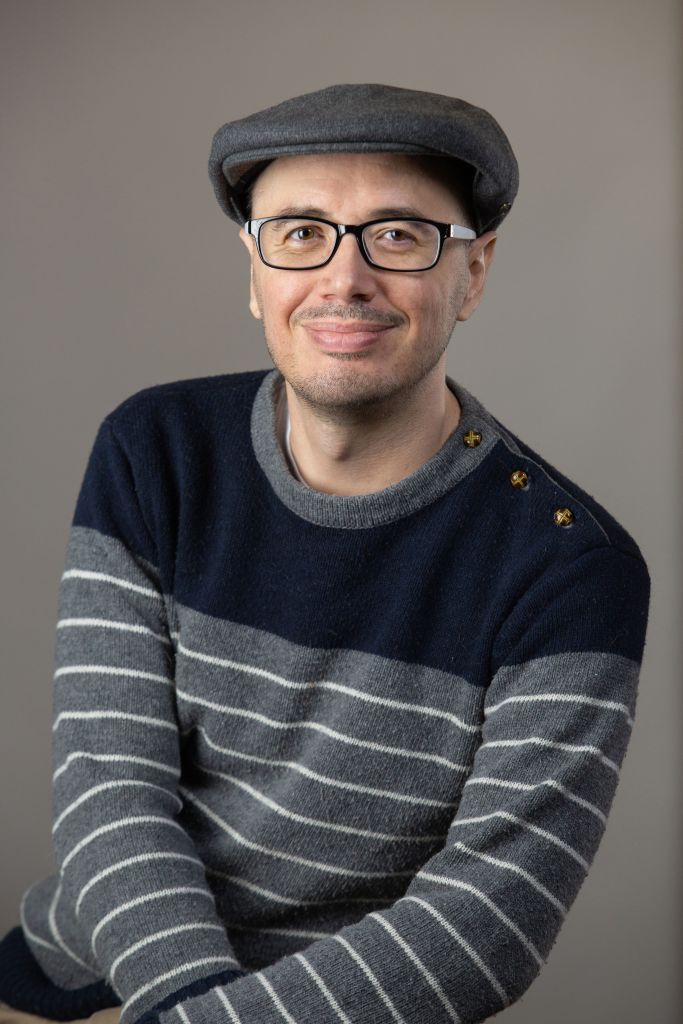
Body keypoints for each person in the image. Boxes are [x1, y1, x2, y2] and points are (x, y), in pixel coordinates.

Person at [0, 83, 650, 1024]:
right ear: (254, 272)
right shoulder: (156, 451)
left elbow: (484, 928)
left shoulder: (570, 569)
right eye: (301, 233)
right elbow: (111, 789)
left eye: (398, 235)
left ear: (472, 273)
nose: (344, 278)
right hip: (82, 980)